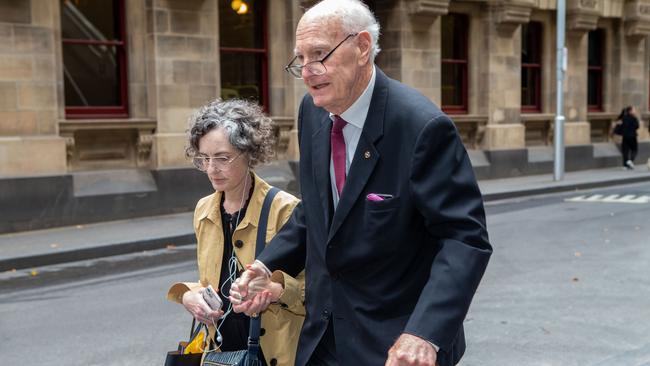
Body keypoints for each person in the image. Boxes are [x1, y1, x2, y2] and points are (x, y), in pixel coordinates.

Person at [230, 1, 492, 365]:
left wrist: (425, 333)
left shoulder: (422, 127)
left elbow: (464, 240)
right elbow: (317, 212)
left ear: (363, 47)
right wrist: (264, 264)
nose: (308, 71)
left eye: (320, 54)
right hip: (323, 340)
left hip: (396, 344)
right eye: (300, 58)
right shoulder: (312, 112)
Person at [166, 98, 305, 366]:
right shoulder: (204, 209)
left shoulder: (285, 209)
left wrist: (274, 291)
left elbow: (316, 292)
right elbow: (210, 280)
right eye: (203, 158)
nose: (211, 169)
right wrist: (189, 296)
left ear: (249, 153)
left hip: (272, 355)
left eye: (222, 158)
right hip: (219, 355)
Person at [615, 105, 640, 170]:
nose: (635, 111)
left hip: (625, 136)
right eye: (634, 110)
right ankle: (630, 161)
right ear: (630, 111)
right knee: (634, 149)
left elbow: (618, 120)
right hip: (632, 136)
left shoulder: (624, 118)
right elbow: (637, 126)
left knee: (625, 150)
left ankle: (625, 165)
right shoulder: (634, 118)